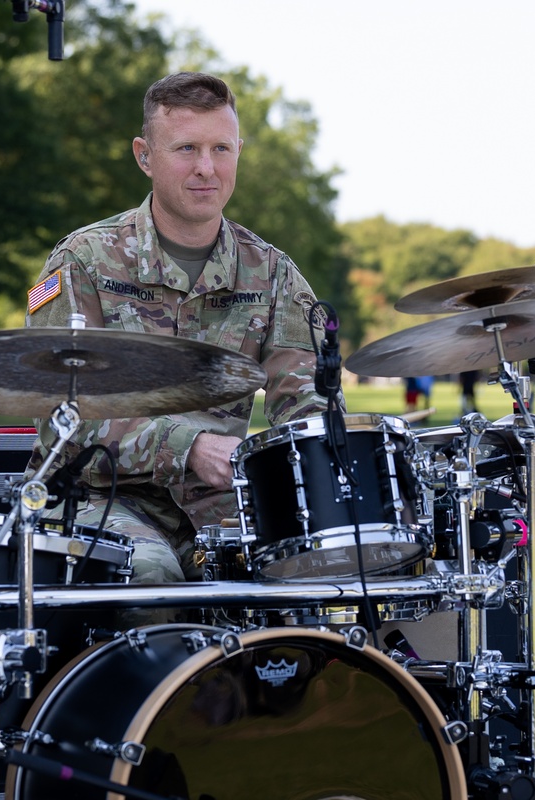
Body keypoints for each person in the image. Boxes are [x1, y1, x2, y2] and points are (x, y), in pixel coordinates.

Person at [24, 72, 335, 620]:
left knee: (303, 588)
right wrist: (187, 445)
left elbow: (306, 408)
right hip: (99, 498)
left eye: (221, 148)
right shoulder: (83, 262)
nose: (206, 168)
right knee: (151, 582)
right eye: (186, 148)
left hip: (221, 509)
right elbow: (61, 417)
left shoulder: (274, 274)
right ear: (145, 156)